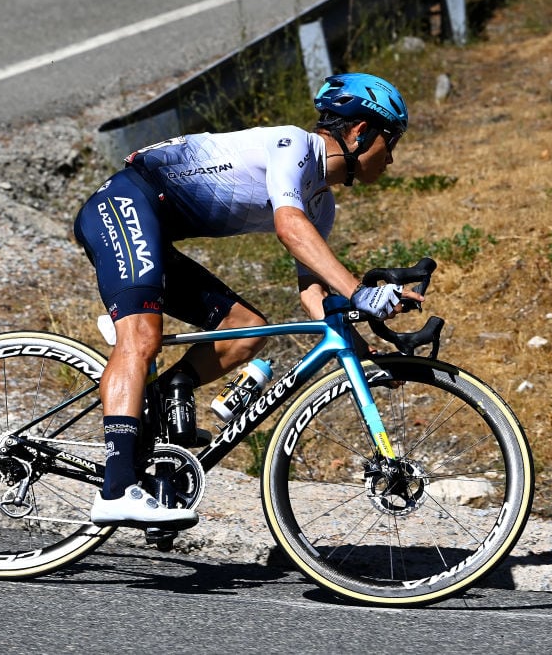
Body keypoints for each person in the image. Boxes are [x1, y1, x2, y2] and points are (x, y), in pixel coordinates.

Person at [73, 73, 424, 529]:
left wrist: (360, 351)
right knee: (141, 338)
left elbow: (312, 291)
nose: (392, 158)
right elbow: (288, 226)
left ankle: (154, 399)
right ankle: (117, 492)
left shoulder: (323, 205)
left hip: (153, 228)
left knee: (244, 330)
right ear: (360, 132)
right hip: (123, 203)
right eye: (390, 142)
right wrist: (360, 291)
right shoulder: (293, 146)